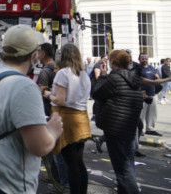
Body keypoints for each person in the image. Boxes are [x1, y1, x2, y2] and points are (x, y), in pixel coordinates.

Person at [0, 25, 63, 193]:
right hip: (8, 183)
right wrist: (53, 130)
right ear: (34, 56)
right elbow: (38, 146)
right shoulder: (25, 86)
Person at [91, 50, 143, 194]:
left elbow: (96, 93)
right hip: (129, 127)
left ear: (113, 62)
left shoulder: (114, 79)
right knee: (128, 163)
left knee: (123, 169)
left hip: (115, 128)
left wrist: (102, 77)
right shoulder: (134, 79)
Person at [43, 43, 91, 194]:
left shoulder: (63, 73)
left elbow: (61, 100)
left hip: (67, 119)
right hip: (82, 119)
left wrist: (47, 95)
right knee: (78, 162)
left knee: (71, 164)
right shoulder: (83, 73)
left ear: (62, 56)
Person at [37, 43, 67, 188]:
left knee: (52, 148)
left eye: (38, 52)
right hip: (58, 112)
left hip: (48, 111)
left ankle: (55, 177)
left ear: (43, 54)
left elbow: (42, 92)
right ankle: (58, 177)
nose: (36, 54)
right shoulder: (58, 68)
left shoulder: (44, 72)